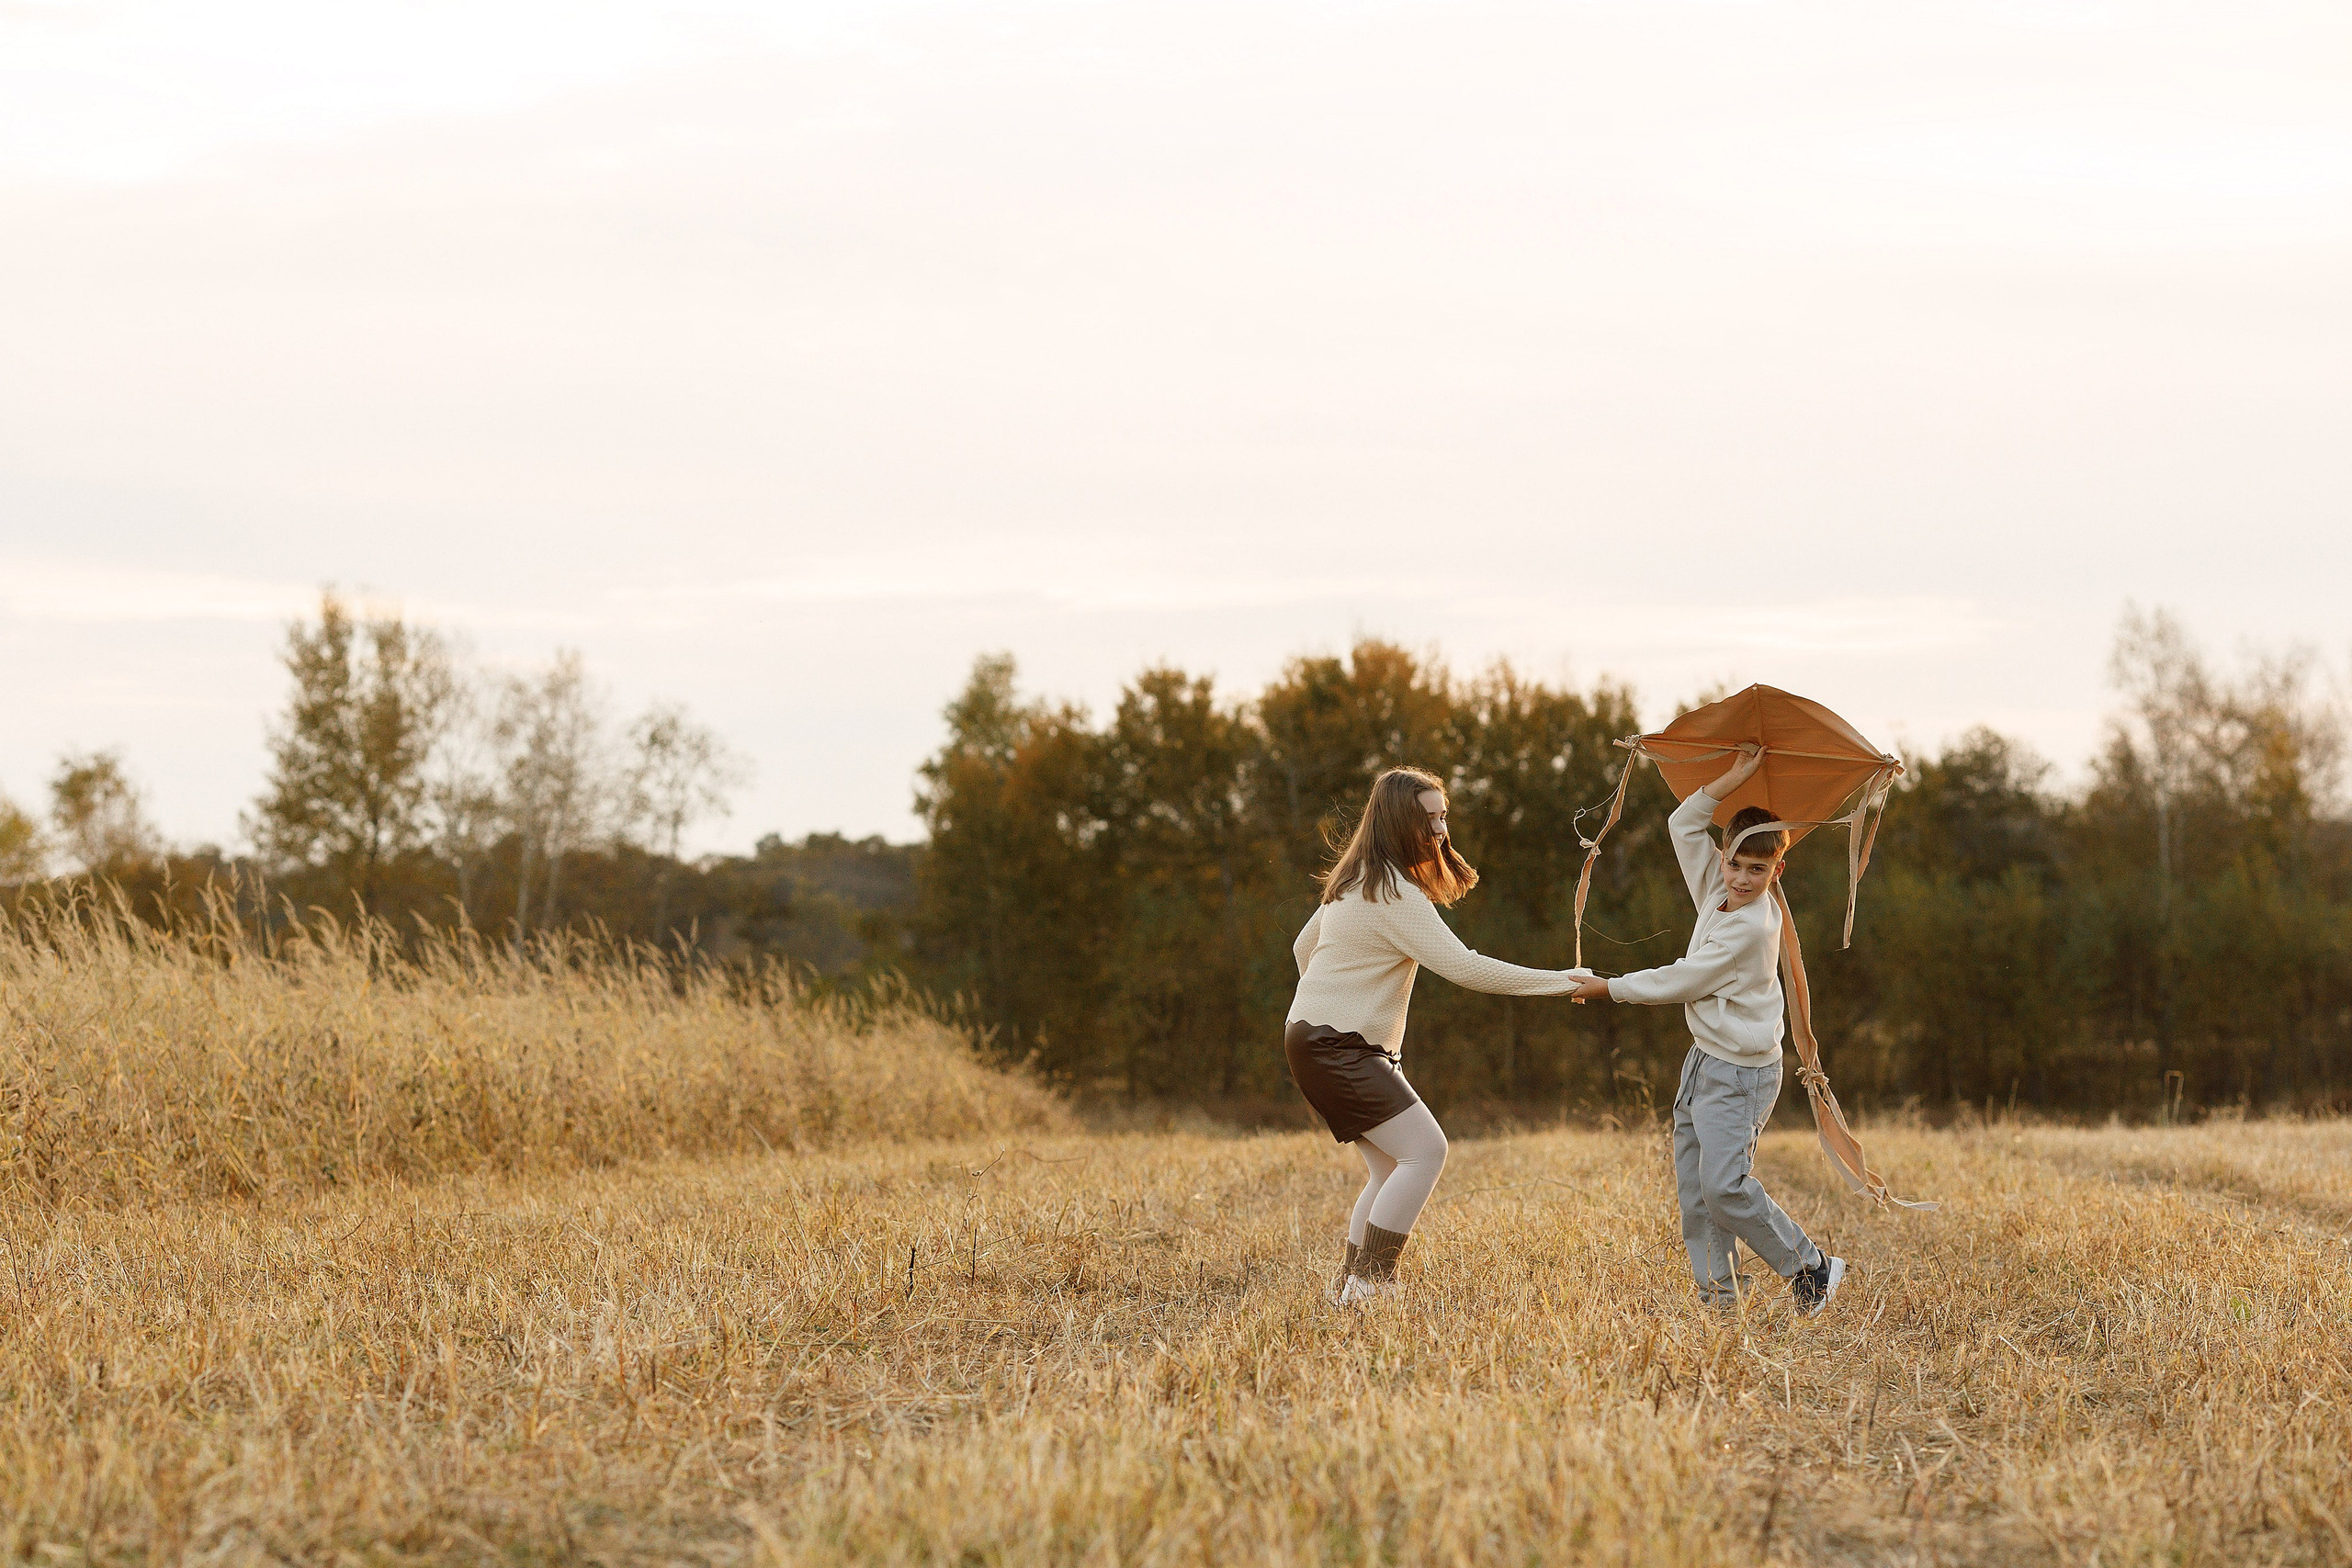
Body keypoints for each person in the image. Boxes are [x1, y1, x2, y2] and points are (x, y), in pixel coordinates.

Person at [1286, 766, 1590, 1306]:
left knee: (1388, 1166)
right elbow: (1466, 968)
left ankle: (1350, 1292)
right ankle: (1369, 1291)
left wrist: (1334, 999)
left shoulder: (1355, 880)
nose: (1442, 830)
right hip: (1339, 1047)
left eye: (1443, 815)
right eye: (1430, 819)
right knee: (1426, 1152)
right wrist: (1559, 983)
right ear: (1400, 823)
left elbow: (1302, 949)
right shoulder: (1394, 893)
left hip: (1317, 1040)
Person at [1569, 744, 1848, 1314]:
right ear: (1722, 857)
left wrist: (1608, 987)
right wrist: (1736, 776)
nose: (1742, 879)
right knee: (1697, 1196)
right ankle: (1720, 1303)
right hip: (1704, 1061)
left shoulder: (1750, 926)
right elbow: (1682, 821)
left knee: (1725, 1187)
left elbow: (1685, 979)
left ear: (1778, 870)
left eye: (1758, 869)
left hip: (1742, 1074)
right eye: (1735, 863)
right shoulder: (1719, 891)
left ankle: (1811, 1266)